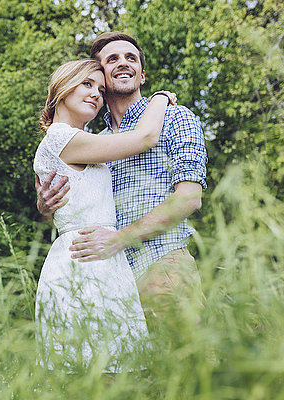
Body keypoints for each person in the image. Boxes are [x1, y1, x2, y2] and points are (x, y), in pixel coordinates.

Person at [35, 32, 208, 331]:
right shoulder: (94, 143)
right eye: (112, 59)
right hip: (108, 281)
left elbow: (189, 198)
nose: (123, 63)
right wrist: (45, 205)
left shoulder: (175, 117)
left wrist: (120, 239)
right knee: (132, 376)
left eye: (132, 58)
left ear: (142, 75)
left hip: (161, 266)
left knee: (191, 371)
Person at [33, 58, 176, 373]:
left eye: (100, 88)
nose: (97, 94)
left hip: (102, 256)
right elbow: (144, 138)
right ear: (61, 88)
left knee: (114, 373)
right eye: (87, 84)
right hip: (82, 262)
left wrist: (44, 209)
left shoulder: (85, 140)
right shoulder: (60, 137)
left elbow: (61, 203)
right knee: (94, 373)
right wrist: (161, 98)